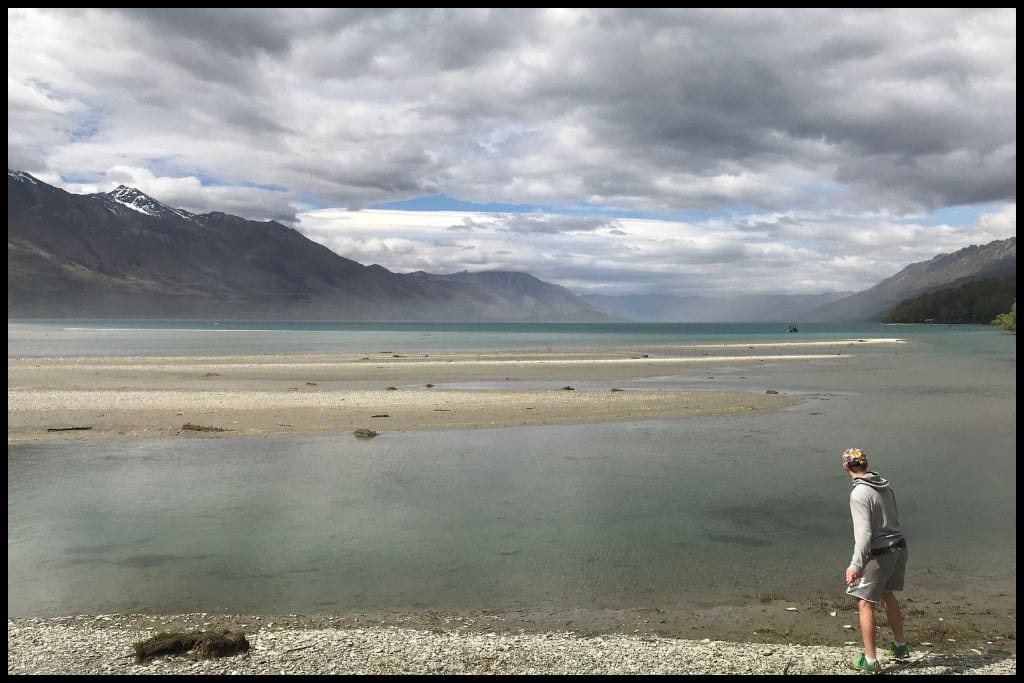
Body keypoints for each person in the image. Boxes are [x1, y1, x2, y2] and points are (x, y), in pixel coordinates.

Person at [841, 447, 911, 673]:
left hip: (881, 553)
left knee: (864, 602)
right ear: (866, 464)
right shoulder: (884, 485)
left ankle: (870, 661)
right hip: (899, 547)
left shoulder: (859, 494)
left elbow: (864, 534)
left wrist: (855, 564)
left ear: (846, 467)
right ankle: (900, 646)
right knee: (887, 595)